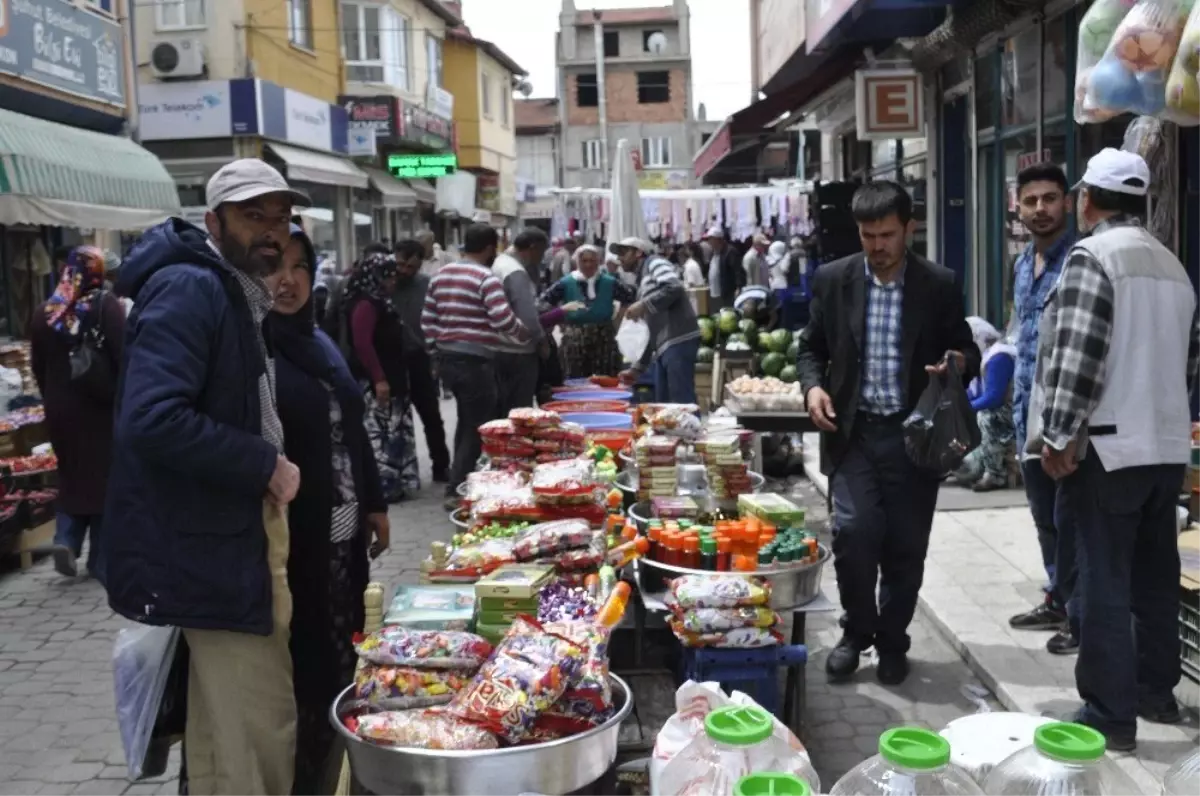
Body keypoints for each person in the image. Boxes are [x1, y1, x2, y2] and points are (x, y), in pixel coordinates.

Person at [105, 158, 306, 795]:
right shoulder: (194, 288)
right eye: (254, 216)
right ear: (213, 221)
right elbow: (152, 418)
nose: (272, 232)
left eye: (280, 217)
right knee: (261, 727)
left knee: (224, 738)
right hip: (213, 545)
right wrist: (262, 463)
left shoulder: (231, 290)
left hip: (223, 534)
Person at [1026, 148, 1200, 751]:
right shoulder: (1174, 267)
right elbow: (1188, 362)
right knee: (1155, 575)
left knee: (1100, 577)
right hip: (1166, 446)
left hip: (1107, 449)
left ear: (1087, 200)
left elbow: (1079, 356)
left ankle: (1109, 713)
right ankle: (1156, 693)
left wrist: (1056, 436)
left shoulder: (1091, 257)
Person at [796, 181, 977, 686]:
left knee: (905, 545)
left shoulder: (937, 284)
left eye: (887, 235)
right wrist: (812, 390)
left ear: (909, 229)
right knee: (854, 534)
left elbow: (966, 349)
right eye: (868, 235)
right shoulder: (834, 280)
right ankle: (856, 634)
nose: (877, 246)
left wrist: (956, 363)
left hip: (913, 438)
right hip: (852, 434)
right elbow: (810, 348)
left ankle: (893, 640)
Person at [265, 225, 390, 795]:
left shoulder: (319, 342)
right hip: (296, 539)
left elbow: (353, 432)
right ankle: (308, 772)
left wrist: (376, 503)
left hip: (343, 538)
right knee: (307, 661)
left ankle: (334, 762)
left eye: (298, 266)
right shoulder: (253, 351)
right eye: (273, 267)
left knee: (344, 651)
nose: (287, 280)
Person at [1005, 163, 1081, 654]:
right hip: (1024, 416)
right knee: (1044, 519)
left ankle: (1079, 613)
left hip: (1061, 417)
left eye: (1050, 199)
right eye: (1031, 201)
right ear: (1019, 207)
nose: (1040, 209)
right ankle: (1057, 597)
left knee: (1072, 519)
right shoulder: (1019, 265)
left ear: (1068, 203)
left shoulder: (1080, 262)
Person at [30, 246, 125, 580]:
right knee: (104, 480)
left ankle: (66, 541)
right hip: (98, 408)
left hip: (60, 408)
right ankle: (100, 559)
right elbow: (124, 356)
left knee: (71, 476)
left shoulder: (46, 310)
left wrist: (52, 399)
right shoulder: (103, 306)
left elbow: (37, 366)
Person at [422, 224, 532, 504]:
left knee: (466, 420)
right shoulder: (485, 277)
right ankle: (458, 489)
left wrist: (437, 350)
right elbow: (502, 319)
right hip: (475, 362)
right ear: (488, 249)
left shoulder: (441, 275)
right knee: (477, 426)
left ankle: (459, 481)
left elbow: (428, 321)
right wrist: (523, 332)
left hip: (448, 360)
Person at [345, 250, 418, 502]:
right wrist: (379, 379)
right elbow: (362, 343)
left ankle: (395, 482)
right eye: (388, 276)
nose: (393, 281)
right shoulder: (366, 303)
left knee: (392, 430)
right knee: (381, 433)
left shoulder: (380, 300)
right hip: (378, 382)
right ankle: (383, 486)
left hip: (392, 377)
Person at [391, 239, 451, 482]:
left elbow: (440, 320)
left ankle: (441, 465)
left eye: (411, 267)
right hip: (390, 359)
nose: (405, 271)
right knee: (393, 419)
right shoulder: (383, 283)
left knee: (430, 415)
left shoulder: (427, 285)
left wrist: (436, 357)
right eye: (402, 264)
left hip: (419, 358)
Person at [613, 237, 701, 403]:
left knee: (680, 402)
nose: (619, 259)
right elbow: (649, 329)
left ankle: (690, 428)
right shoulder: (642, 281)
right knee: (664, 405)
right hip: (663, 346)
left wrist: (644, 305)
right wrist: (637, 369)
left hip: (678, 339)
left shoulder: (654, 262)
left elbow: (674, 287)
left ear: (638, 252)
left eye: (623, 252)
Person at [541, 243, 638, 380]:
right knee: (575, 379)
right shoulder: (566, 282)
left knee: (604, 377)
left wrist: (618, 320)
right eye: (584, 260)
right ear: (577, 261)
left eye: (592, 260)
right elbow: (545, 301)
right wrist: (560, 317)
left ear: (598, 262)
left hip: (604, 338)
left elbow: (629, 298)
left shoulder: (609, 282)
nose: (588, 265)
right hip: (575, 338)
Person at [951, 317, 1016, 491]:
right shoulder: (986, 356)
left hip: (1011, 414)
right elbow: (974, 393)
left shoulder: (999, 356)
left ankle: (995, 475)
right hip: (1005, 413)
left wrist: (963, 408)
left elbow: (994, 397)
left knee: (985, 416)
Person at [492, 228, 551, 415]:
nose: (540, 259)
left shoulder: (500, 263)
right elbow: (526, 313)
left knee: (503, 407)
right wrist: (541, 340)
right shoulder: (515, 271)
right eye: (541, 253)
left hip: (499, 346)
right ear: (533, 248)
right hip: (518, 350)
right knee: (519, 411)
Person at [705, 226, 743, 310]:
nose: (709, 242)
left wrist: (738, 287)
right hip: (715, 293)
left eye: (711, 239)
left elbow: (738, 271)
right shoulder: (713, 252)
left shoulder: (730, 252)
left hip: (727, 293)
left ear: (718, 239)